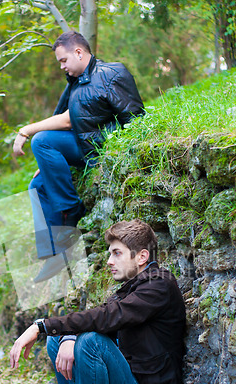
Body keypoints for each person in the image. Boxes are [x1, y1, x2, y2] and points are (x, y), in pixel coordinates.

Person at [10, 219, 186, 384]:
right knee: (57, 341)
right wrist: (67, 336)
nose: (109, 261)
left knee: (91, 342)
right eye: (109, 253)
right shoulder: (132, 287)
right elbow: (102, 315)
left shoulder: (158, 286)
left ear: (142, 256)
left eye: (117, 253)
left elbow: (105, 318)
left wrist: (40, 325)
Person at [12, 31, 144, 281]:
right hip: (81, 145)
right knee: (37, 185)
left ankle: (71, 209)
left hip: (98, 146)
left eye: (63, 60)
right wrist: (49, 162)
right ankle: (55, 254)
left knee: (39, 139)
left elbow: (135, 116)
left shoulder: (111, 74)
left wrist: (26, 131)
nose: (62, 66)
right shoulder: (74, 81)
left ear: (79, 53)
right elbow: (60, 117)